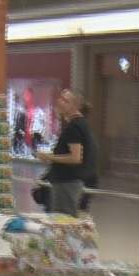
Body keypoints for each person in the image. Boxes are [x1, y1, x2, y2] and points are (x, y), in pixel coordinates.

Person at [36, 89, 97, 217]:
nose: (60, 102)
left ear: (75, 105)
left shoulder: (74, 127)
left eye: (65, 101)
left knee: (63, 220)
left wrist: (49, 157)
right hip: (68, 182)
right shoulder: (80, 125)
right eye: (61, 99)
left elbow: (75, 157)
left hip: (67, 183)